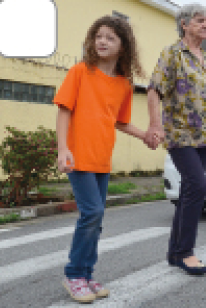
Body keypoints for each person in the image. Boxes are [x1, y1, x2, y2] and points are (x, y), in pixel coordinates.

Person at [54, 16, 149, 303]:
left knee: (96, 218)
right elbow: (63, 110)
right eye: (99, 36)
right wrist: (62, 149)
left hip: (101, 159)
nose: (102, 41)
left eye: (110, 37)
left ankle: (86, 273)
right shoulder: (80, 72)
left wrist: (144, 135)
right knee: (92, 213)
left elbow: (120, 122)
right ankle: (74, 275)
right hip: (77, 155)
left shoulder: (124, 85)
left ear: (123, 46)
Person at [145, 3, 206, 276]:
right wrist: (154, 123)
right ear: (184, 24)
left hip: (205, 134)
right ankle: (186, 252)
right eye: (199, 20)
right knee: (197, 187)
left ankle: (175, 252)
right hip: (180, 133)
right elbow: (154, 90)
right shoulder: (172, 54)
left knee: (188, 191)